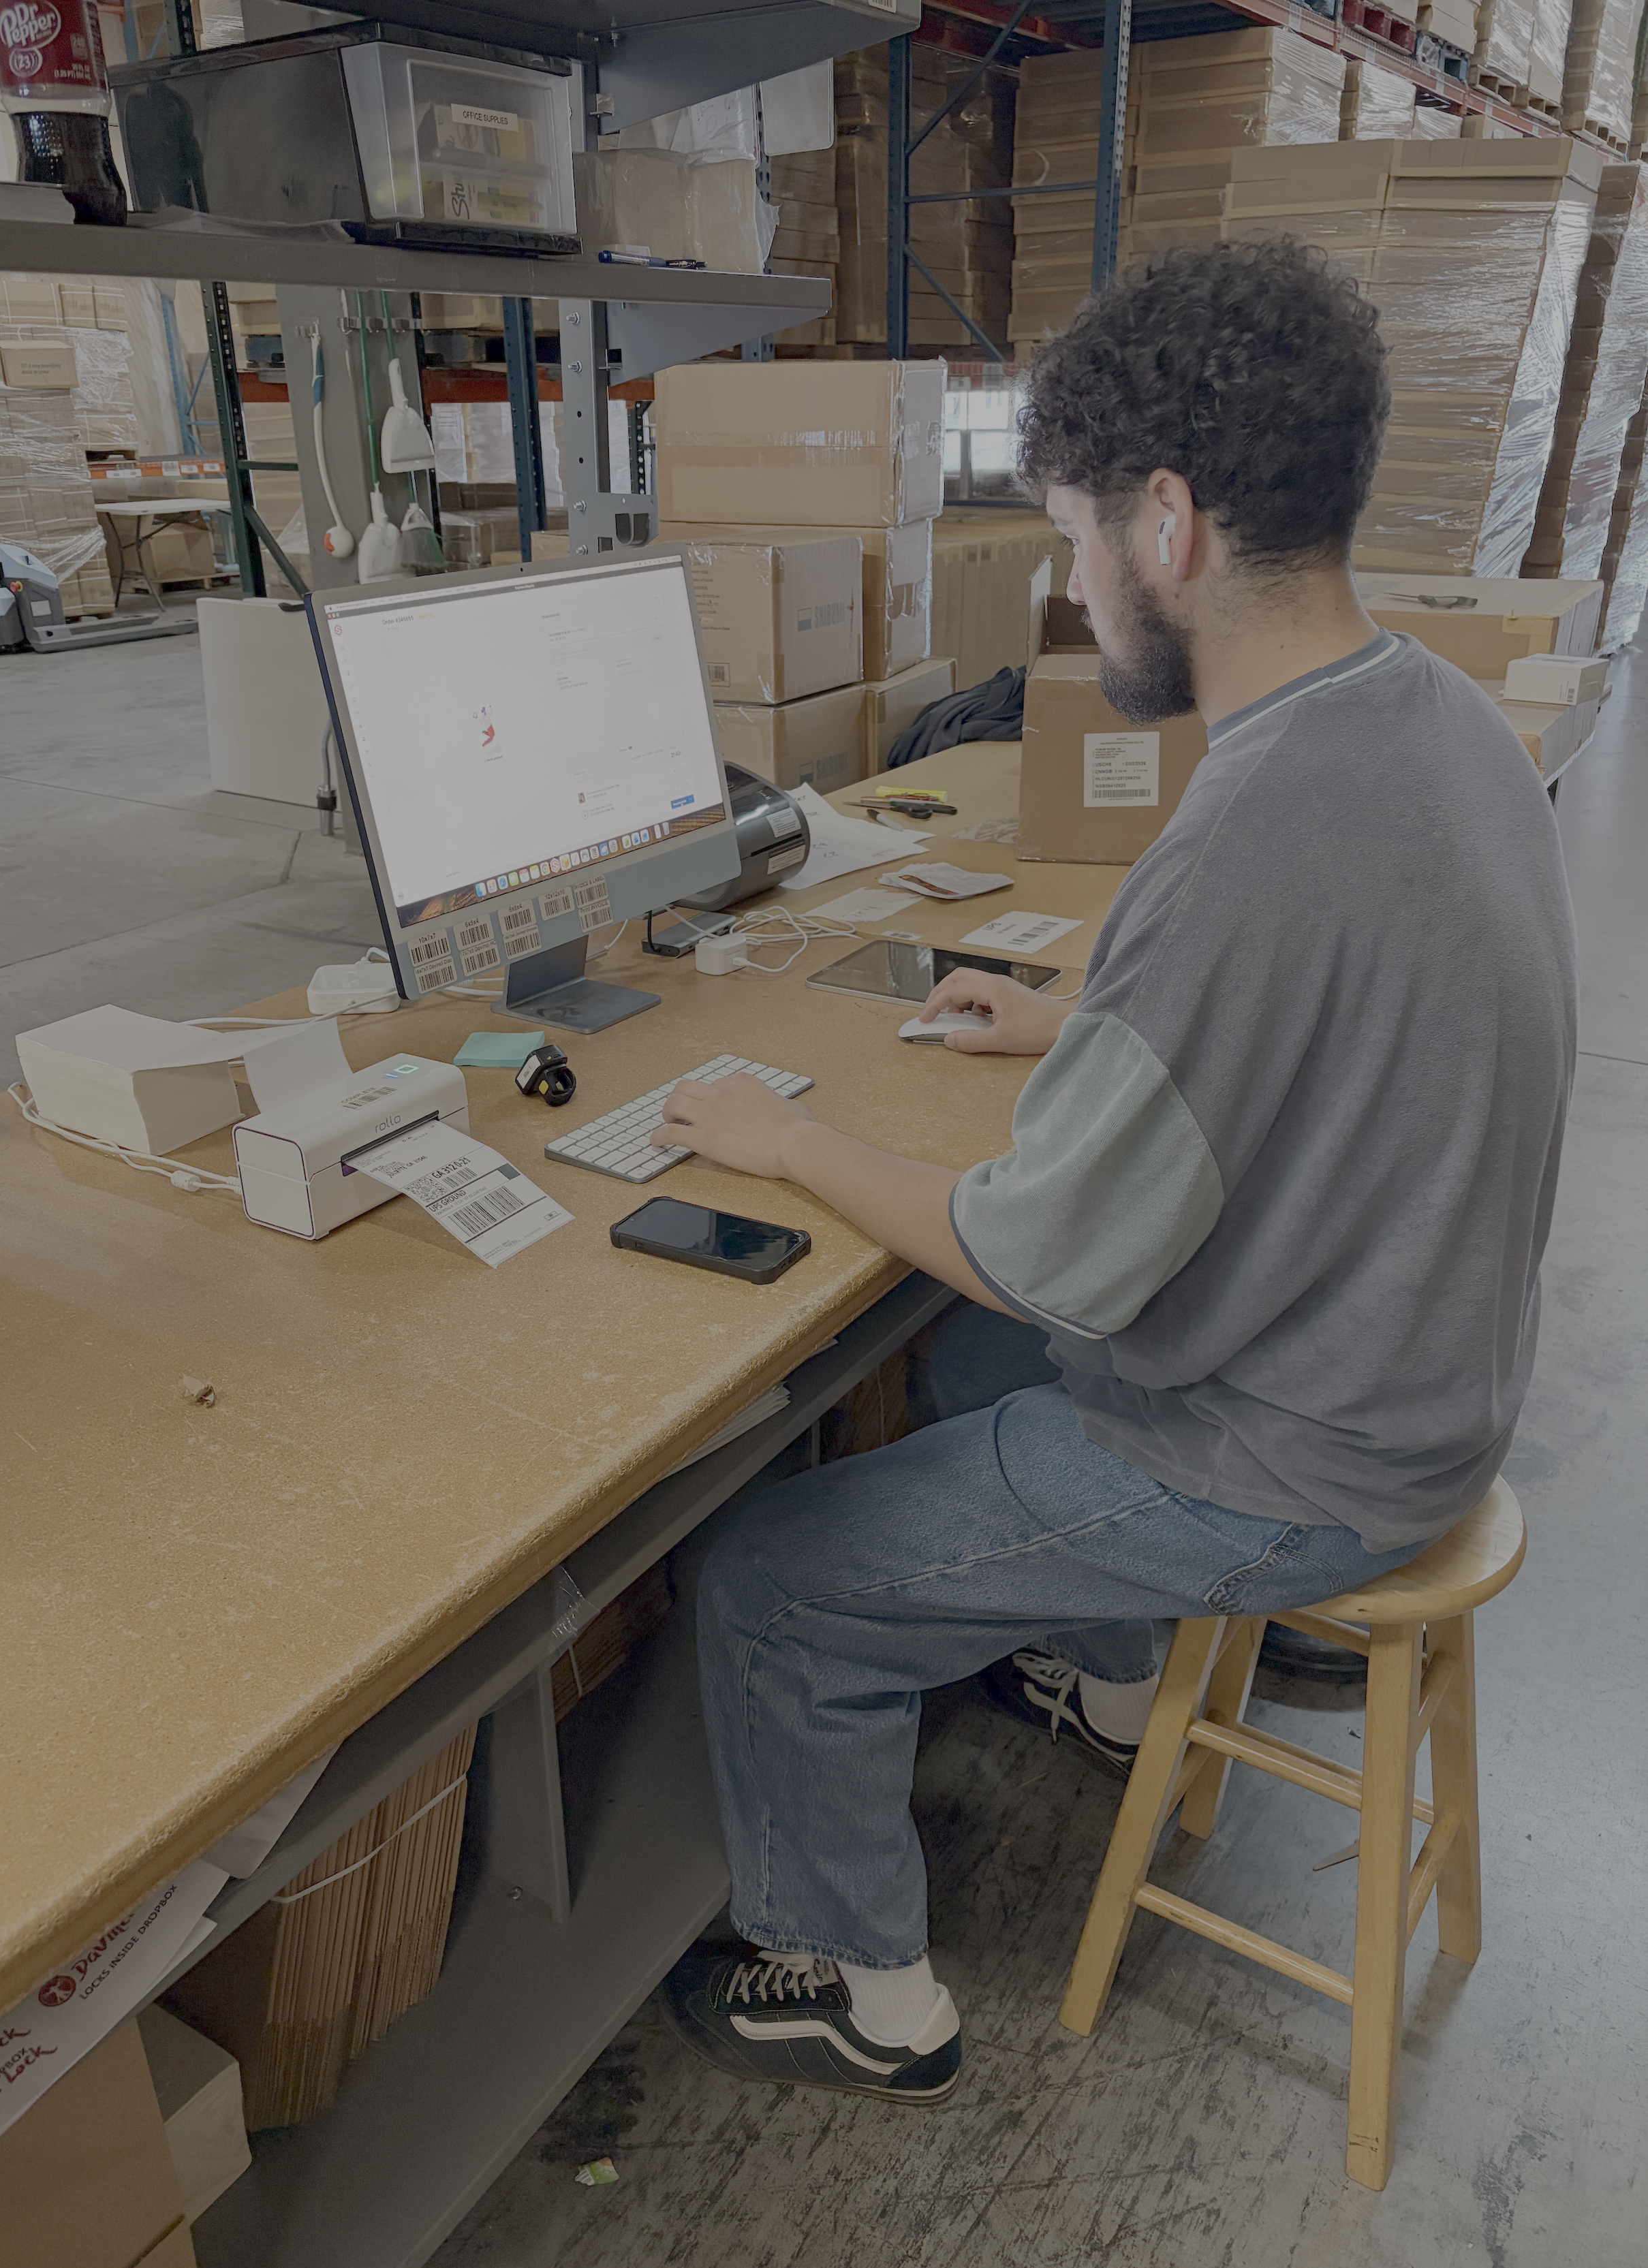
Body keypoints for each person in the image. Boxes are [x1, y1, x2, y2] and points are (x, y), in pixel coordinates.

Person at [651, 237, 1578, 2105]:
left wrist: (790, 1138)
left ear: (1167, 523)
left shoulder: (1243, 837)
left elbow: (1045, 1256)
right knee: (975, 1369)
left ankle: (858, 1983)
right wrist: (1080, 1033)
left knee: (768, 1566)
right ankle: (1107, 1674)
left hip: (1298, 1457)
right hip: (1420, 1373)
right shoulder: (1436, 720)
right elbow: (1337, 1041)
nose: (1071, 598)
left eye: (1073, 544)